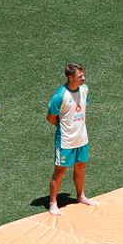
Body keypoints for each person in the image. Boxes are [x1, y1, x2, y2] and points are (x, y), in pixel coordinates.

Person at [46, 63, 96, 216]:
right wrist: (65, 128)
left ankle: (80, 196)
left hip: (82, 138)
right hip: (65, 141)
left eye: (83, 75)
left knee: (80, 167)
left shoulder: (84, 90)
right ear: (70, 77)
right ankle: (53, 203)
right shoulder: (60, 96)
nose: (83, 78)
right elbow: (51, 118)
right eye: (80, 76)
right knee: (60, 171)